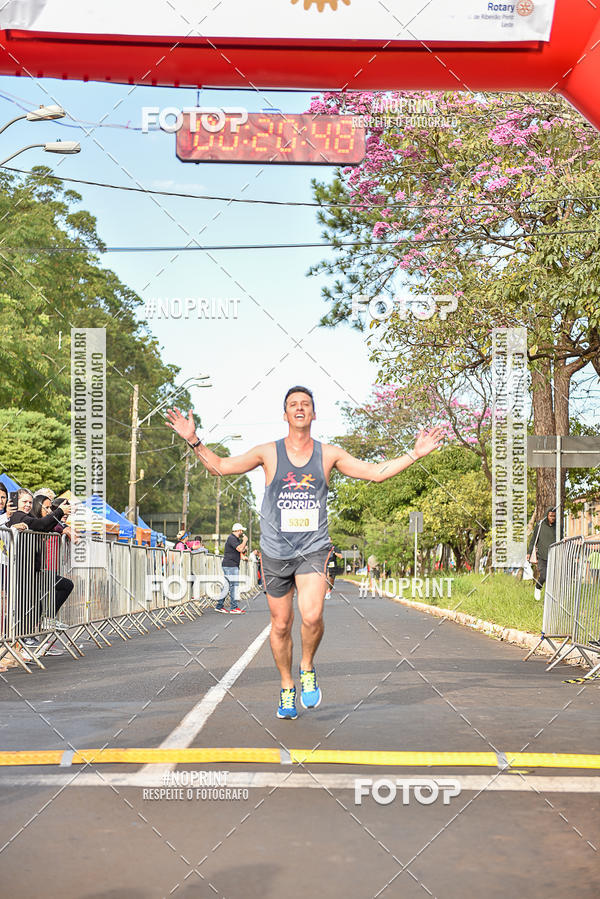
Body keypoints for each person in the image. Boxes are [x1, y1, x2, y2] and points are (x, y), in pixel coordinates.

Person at [166, 386, 442, 719]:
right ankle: (286, 687)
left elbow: (374, 473)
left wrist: (415, 454)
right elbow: (221, 466)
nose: (299, 408)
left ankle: (307, 666)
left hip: (313, 549)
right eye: (293, 404)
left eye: (305, 404)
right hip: (275, 552)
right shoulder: (268, 453)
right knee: (281, 625)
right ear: (285, 414)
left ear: (313, 413)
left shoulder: (329, 455)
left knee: (311, 616)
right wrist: (193, 439)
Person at [216, 523, 248, 614]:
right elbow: (239, 549)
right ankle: (234, 607)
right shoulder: (232, 538)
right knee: (234, 586)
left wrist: (244, 548)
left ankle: (219, 606)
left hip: (230, 564)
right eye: (241, 531)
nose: (242, 532)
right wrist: (245, 541)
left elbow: (240, 550)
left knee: (227, 586)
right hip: (231, 565)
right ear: (238, 530)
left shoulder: (235, 539)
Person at [527, 508, 558, 601]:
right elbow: (533, 539)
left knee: (552, 577)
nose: (553, 518)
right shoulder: (540, 525)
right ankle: (538, 587)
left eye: (554, 516)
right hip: (541, 556)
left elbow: (560, 538)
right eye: (551, 516)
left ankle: (550, 599)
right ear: (547, 515)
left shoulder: (557, 526)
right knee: (544, 575)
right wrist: (529, 552)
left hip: (554, 556)